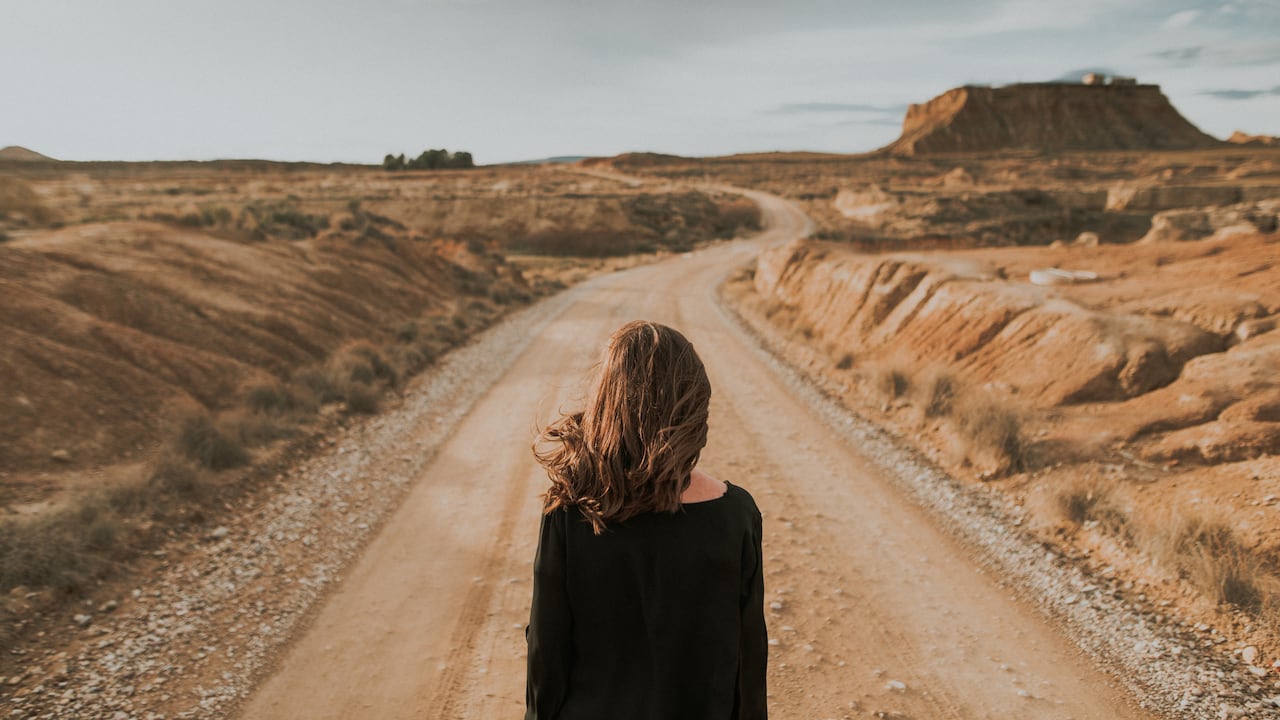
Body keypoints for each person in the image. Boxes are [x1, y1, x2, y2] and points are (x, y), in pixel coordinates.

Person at [525, 320, 768, 720]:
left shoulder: (570, 511)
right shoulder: (736, 515)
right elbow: (748, 663)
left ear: (607, 403)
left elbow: (545, 659)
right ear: (695, 407)